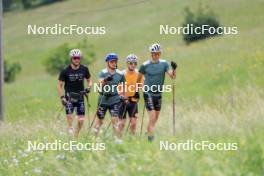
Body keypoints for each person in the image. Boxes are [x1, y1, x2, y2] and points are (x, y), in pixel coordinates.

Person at [137, 43, 177, 142]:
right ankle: (150, 140)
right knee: (153, 116)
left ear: (160, 54)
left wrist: (174, 69)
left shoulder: (164, 64)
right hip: (148, 93)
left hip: (158, 94)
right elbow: (138, 80)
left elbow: (172, 76)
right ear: (151, 54)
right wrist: (140, 89)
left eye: (158, 54)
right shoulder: (145, 65)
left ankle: (148, 131)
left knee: (155, 118)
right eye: (154, 54)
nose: (156, 55)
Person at [57, 49, 92, 138]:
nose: (77, 60)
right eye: (75, 58)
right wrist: (62, 98)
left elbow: (89, 80)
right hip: (69, 98)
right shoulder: (65, 70)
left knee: (81, 121)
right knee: (70, 119)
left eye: (78, 58)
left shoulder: (84, 69)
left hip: (80, 97)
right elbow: (59, 86)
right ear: (71, 59)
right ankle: (70, 137)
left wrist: (89, 87)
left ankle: (76, 135)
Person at [93, 53, 126, 142]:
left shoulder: (120, 74)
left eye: (115, 61)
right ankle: (95, 139)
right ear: (107, 62)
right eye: (111, 62)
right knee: (99, 121)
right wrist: (105, 80)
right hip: (103, 100)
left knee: (115, 120)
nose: (114, 63)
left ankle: (116, 140)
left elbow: (123, 85)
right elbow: (99, 84)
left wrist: (123, 95)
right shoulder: (103, 72)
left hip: (114, 99)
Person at [119, 54, 144, 135]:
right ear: (127, 63)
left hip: (133, 101)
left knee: (133, 123)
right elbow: (118, 87)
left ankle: (131, 140)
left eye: (135, 63)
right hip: (123, 101)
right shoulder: (122, 74)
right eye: (131, 63)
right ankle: (118, 140)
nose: (133, 65)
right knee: (122, 124)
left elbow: (143, 86)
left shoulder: (138, 74)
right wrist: (122, 96)